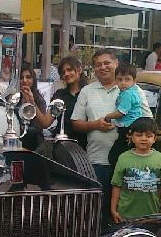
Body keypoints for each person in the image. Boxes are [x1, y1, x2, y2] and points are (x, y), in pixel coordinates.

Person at [71, 48, 120, 222]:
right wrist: (95, 124)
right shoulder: (87, 91)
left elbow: (145, 121)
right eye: (98, 65)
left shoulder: (130, 90)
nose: (103, 67)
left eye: (107, 63)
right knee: (97, 211)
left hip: (126, 161)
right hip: (96, 161)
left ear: (116, 64)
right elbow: (75, 123)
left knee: (122, 211)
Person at [110, 117, 161, 223]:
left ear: (154, 138)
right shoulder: (123, 158)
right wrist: (113, 210)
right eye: (139, 135)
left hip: (152, 216)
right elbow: (117, 185)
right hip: (125, 215)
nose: (143, 138)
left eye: (148, 136)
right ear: (131, 137)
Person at [103, 63, 144, 166]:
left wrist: (108, 116)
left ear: (134, 81)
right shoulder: (133, 91)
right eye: (120, 79)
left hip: (128, 127)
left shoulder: (127, 94)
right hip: (134, 126)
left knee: (114, 156)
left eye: (127, 79)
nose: (123, 83)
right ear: (115, 80)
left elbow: (121, 113)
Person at [51, 56, 89, 148]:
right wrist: (32, 101)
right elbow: (46, 121)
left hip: (84, 145)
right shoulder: (60, 94)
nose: (66, 74)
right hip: (61, 145)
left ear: (79, 69)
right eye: (63, 72)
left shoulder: (89, 93)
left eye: (69, 70)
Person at [18, 62, 48, 150]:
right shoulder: (12, 98)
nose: (24, 80)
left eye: (28, 77)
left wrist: (31, 102)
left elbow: (40, 126)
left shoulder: (39, 100)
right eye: (21, 78)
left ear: (33, 79)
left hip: (34, 144)